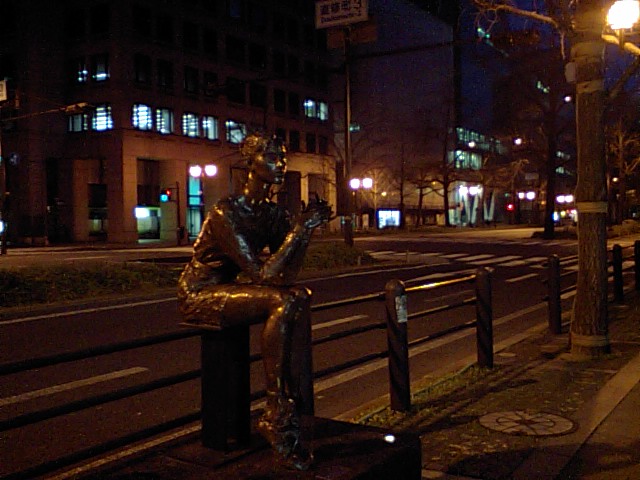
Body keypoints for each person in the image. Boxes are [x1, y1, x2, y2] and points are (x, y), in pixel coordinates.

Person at [177, 132, 331, 470]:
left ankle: (290, 402)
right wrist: (300, 230)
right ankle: (277, 412)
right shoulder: (226, 212)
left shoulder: (272, 214)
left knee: (298, 296)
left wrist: (304, 231)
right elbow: (262, 274)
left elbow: (284, 275)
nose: (281, 164)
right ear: (251, 162)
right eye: (272, 157)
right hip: (200, 293)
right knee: (283, 303)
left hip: (228, 287)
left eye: (282, 157)